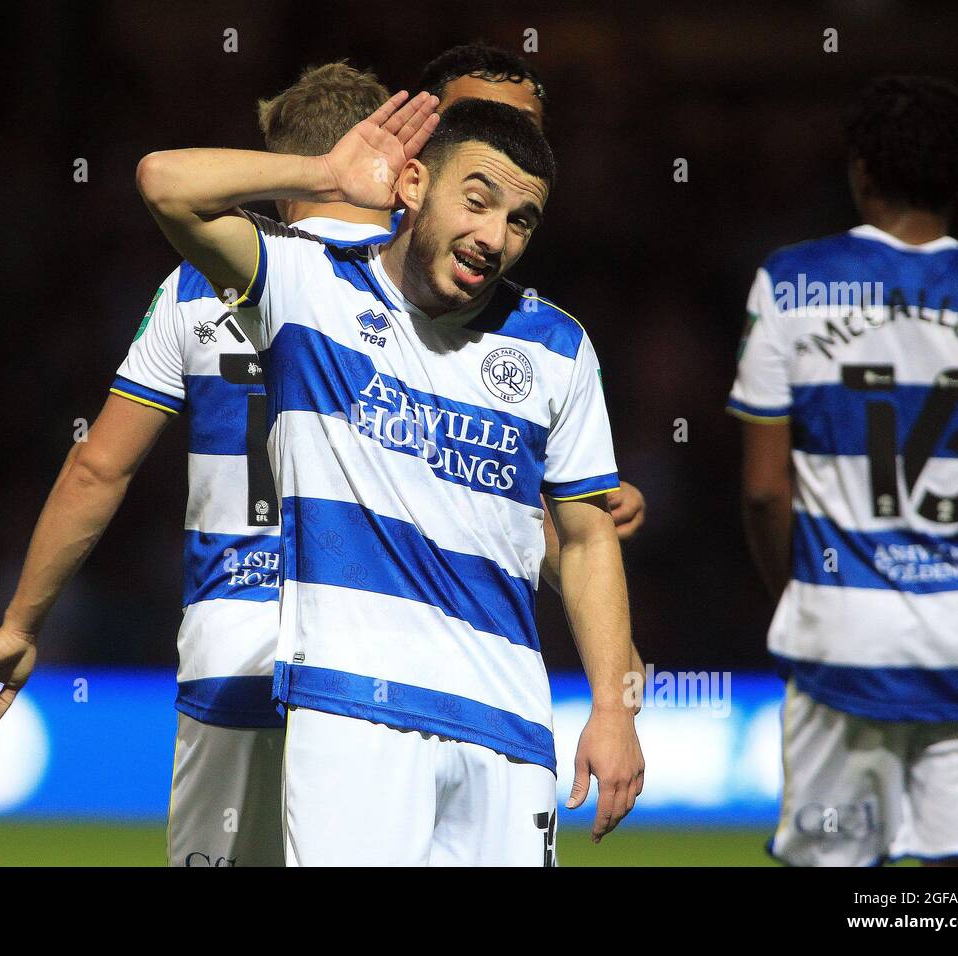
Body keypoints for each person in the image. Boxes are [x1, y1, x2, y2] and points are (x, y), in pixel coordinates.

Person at [136, 92, 643, 865]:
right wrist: (325, 173)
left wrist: (614, 706)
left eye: (520, 220)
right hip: (351, 715)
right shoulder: (309, 287)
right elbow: (163, 181)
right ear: (412, 186)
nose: (493, 236)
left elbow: (584, 537)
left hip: (508, 726)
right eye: (477, 201)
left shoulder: (557, 346)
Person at [729, 75, 958, 866]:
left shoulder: (792, 282)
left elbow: (764, 488)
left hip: (841, 639)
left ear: (860, 168)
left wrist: (802, 596)